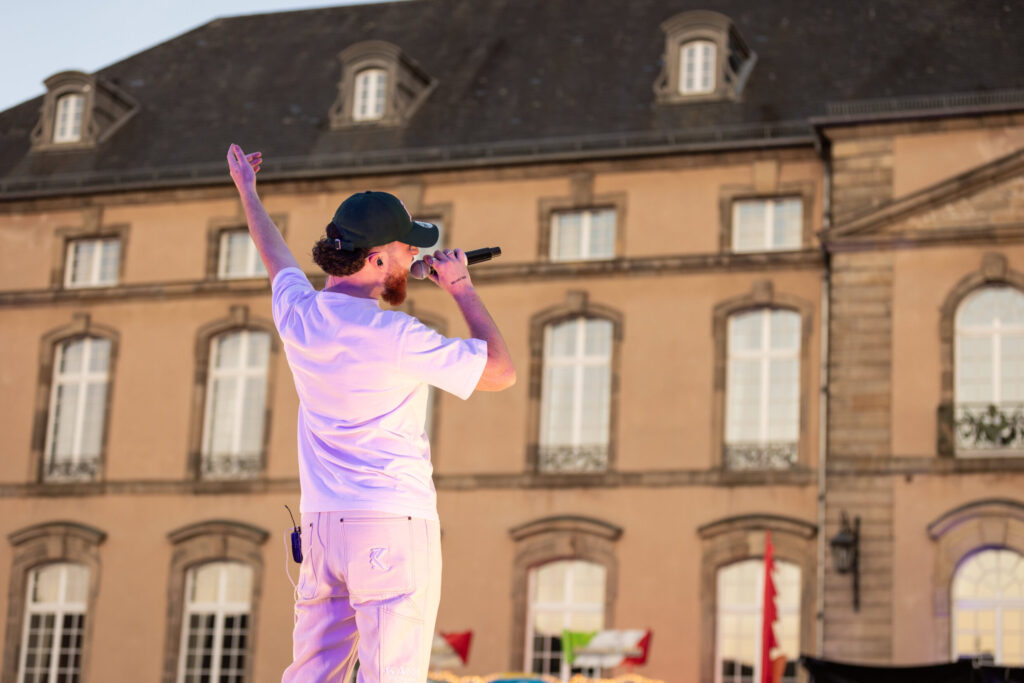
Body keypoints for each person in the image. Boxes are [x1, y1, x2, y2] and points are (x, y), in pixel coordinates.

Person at [226, 144, 516, 682]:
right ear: (377, 257)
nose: (413, 258)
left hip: (320, 525)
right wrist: (460, 287)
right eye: (407, 249)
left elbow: (275, 256)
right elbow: (500, 372)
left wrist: (248, 191)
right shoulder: (395, 335)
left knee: (312, 673)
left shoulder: (298, 315)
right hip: (390, 523)